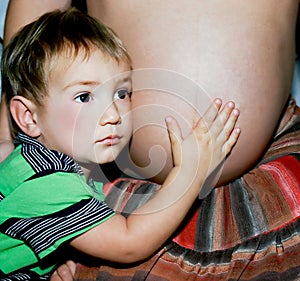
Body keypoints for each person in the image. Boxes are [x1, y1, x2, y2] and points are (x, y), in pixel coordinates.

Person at [1, 1, 300, 281]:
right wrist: (190, 173)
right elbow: (129, 242)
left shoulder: (61, 166)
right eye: (84, 96)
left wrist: (59, 246)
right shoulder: (46, 182)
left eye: (122, 93)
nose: (114, 115)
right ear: (27, 116)